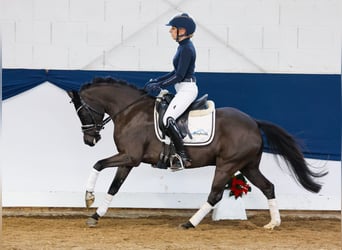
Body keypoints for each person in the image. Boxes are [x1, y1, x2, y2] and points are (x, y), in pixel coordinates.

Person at [144, 13, 198, 168]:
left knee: (168, 119)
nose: (170, 31)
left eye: (173, 29)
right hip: (182, 88)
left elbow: (180, 75)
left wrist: (160, 86)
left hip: (187, 89)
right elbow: (174, 72)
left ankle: (182, 157)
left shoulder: (187, 48)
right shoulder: (182, 47)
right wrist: (157, 81)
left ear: (182, 30)